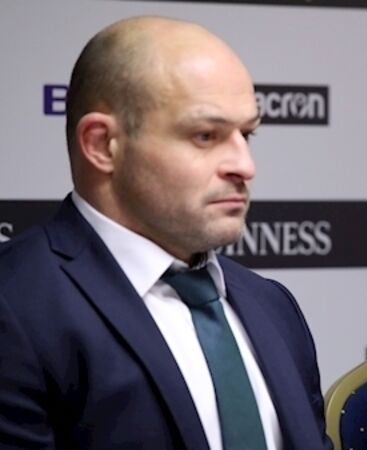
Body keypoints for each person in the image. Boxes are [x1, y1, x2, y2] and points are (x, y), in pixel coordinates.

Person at [0, 16, 331, 450]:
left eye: (247, 134)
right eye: (205, 135)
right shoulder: (16, 307)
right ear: (101, 144)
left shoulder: (273, 307)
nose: (244, 166)